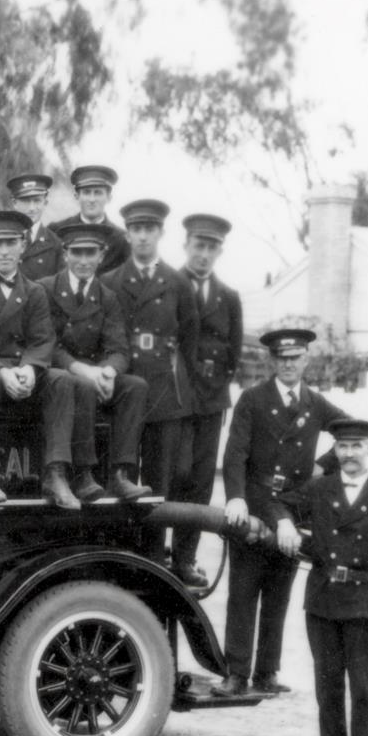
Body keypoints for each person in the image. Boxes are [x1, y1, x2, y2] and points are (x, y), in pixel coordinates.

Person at [216, 328, 349, 698]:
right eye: (282, 359)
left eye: (296, 358)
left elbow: (351, 433)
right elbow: (235, 454)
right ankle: (236, 673)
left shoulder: (315, 402)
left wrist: (323, 467)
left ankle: (267, 672)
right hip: (255, 508)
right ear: (272, 362)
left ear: (306, 361)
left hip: (295, 511)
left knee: (278, 595)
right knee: (243, 593)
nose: (289, 365)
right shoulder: (253, 399)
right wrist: (235, 497)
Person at [275, 417, 368, 736]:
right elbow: (280, 504)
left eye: (356, 446)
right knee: (328, 681)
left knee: (363, 684)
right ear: (335, 451)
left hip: (367, 601)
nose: (349, 454)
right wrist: (285, 522)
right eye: (343, 447)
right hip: (323, 599)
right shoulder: (319, 490)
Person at [0, 209, 80, 509]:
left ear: (23, 246)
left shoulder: (33, 292)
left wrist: (31, 369)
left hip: (21, 370)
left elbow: (43, 338)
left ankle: (55, 473)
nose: (5, 251)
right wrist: (3, 370)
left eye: (12, 243)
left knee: (60, 379)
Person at [39, 220, 153, 503]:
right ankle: (83, 473)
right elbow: (45, 344)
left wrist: (109, 371)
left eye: (91, 254)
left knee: (135, 386)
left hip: (94, 374)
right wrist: (83, 369)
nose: (83, 260)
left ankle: (120, 474)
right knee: (82, 384)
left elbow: (119, 348)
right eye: (76, 253)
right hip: (59, 375)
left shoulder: (107, 297)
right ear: (65, 254)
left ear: (101, 256)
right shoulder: (45, 289)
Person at [101, 199, 199, 514]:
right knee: (120, 481)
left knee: (159, 485)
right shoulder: (110, 281)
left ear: (160, 233)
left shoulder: (178, 282)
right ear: (127, 235)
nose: (143, 236)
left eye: (149, 229)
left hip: (164, 389)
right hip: (124, 387)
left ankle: (154, 556)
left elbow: (190, 338)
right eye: (136, 229)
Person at [168, 214, 243, 585]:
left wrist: (214, 386)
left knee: (199, 480)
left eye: (211, 248)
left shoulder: (228, 297)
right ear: (186, 245)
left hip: (212, 400)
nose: (204, 254)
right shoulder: (169, 283)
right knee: (173, 474)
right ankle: (155, 555)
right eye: (199, 245)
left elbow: (233, 353)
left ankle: (184, 559)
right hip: (177, 397)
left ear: (219, 252)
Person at [68, 164, 131, 273]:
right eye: (86, 192)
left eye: (98, 193)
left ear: (109, 198)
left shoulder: (121, 240)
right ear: (76, 196)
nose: (92, 199)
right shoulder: (58, 231)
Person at [9, 174, 63, 281]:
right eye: (25, 201)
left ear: (45, 203)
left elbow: (60, 284)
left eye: (37, 201)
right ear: (14, 203)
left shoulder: (56, 244)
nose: (32, 208)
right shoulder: (1, 238)